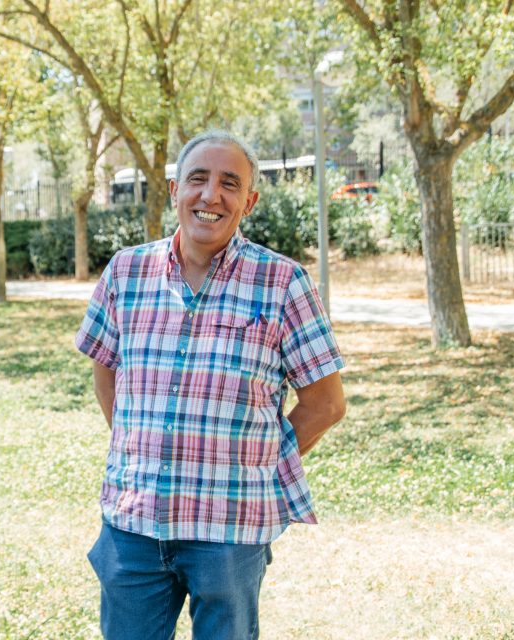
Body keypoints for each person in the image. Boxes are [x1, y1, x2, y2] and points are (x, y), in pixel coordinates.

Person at [74, 131, 347, 640]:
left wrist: (259, 464)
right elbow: (106, 367)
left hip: (230, 529)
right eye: (198, 179)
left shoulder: (283, 283)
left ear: (250, 200)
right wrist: (139, 448)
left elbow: (326, 404)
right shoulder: (125, 273)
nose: (210, 195)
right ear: (176, 189)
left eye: (229, 183)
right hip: (134, 522)